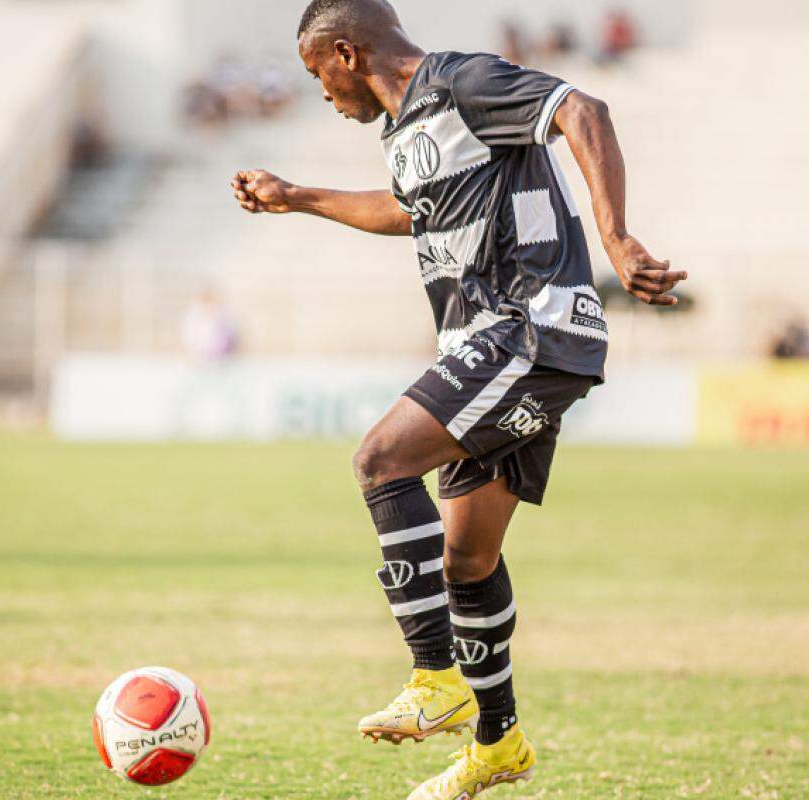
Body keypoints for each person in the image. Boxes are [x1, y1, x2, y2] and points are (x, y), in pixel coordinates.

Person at [231, 1, 686, 796]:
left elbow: (583, 109)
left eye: (318, 75)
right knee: (467, 559)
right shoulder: (406, 130)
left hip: (529, 326)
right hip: (497, 342)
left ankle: (434, 676)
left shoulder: (462, 80)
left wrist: (616, 239)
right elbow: (410, 211)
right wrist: (296, 196)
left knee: (380, 461)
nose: (323, 93)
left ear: (346, 51)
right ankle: (497, 744)